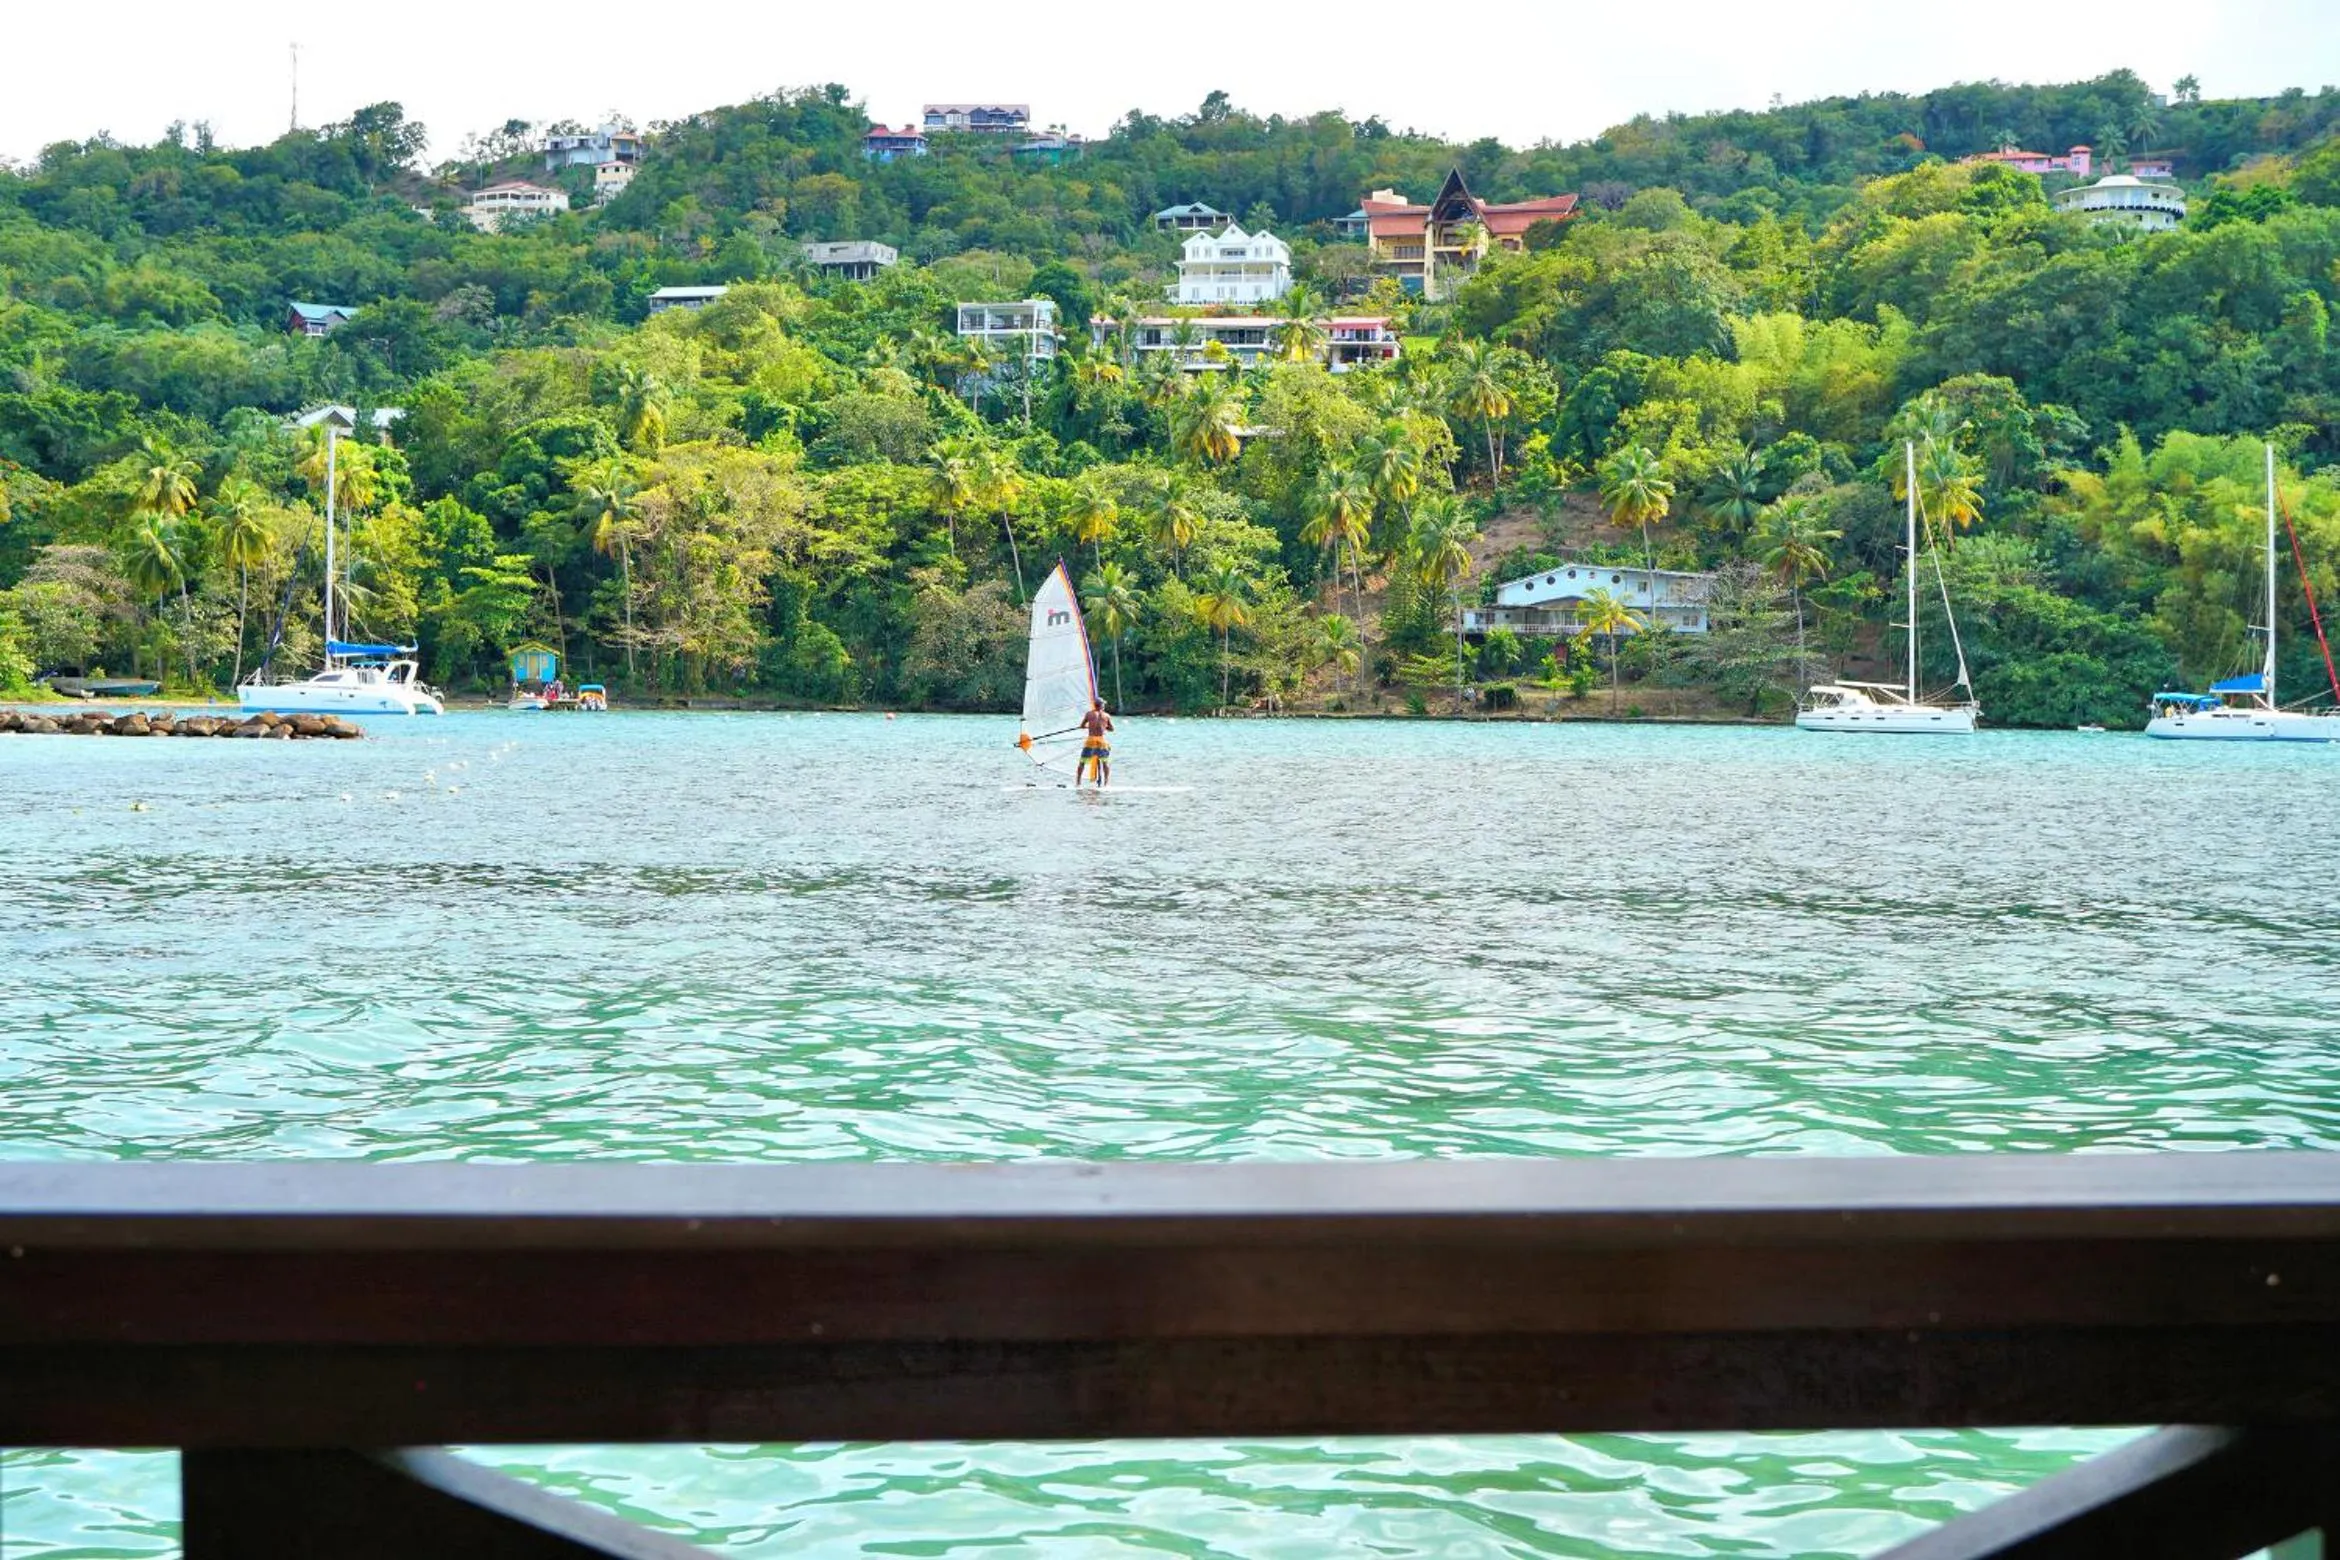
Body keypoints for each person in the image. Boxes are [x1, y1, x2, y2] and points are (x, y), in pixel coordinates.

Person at [1077, 699, 1114, 788]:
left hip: (1090, 741)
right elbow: (1112, 729)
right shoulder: (1106, 716)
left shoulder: (1089, 714)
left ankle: (1078, 783)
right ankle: (1106, 783)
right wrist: (1104, 727)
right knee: (1105, 762)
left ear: (1095, 705)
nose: (1104, 706)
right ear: (1101, 706)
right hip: (1101, 741)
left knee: (1082, 762)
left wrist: (1087, 726)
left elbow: (1082, 726)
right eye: (1103, 705)